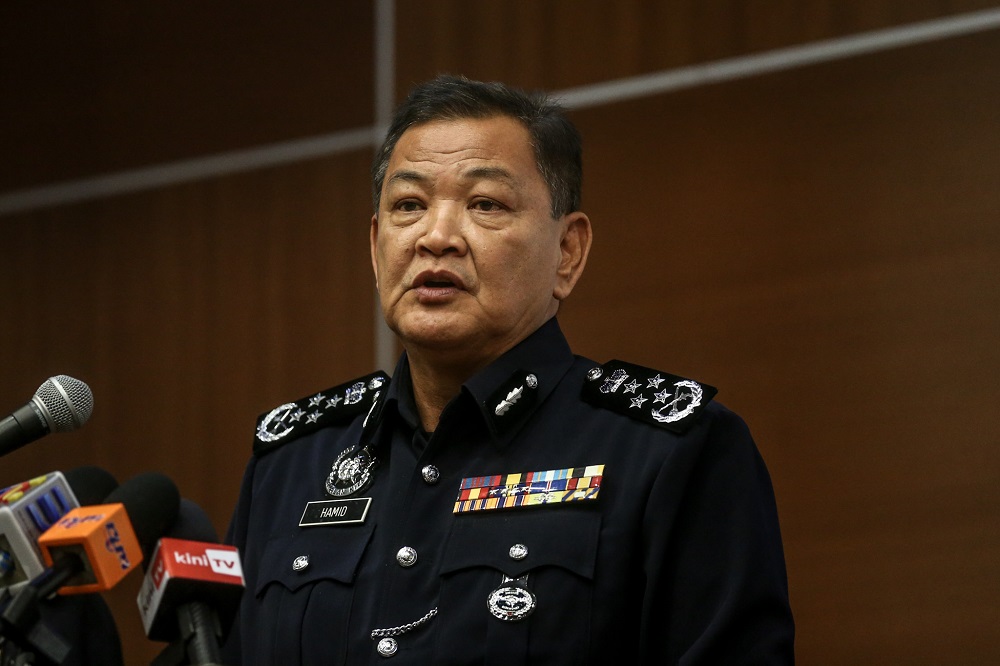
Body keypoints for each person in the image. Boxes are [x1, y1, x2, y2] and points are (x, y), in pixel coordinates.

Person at [224, 75, 794, 664]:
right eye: (409, 206)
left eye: (485, 205)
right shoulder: (291, 464)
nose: (436, 237)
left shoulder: (669, 452)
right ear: (376, 248)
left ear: (567, 252)